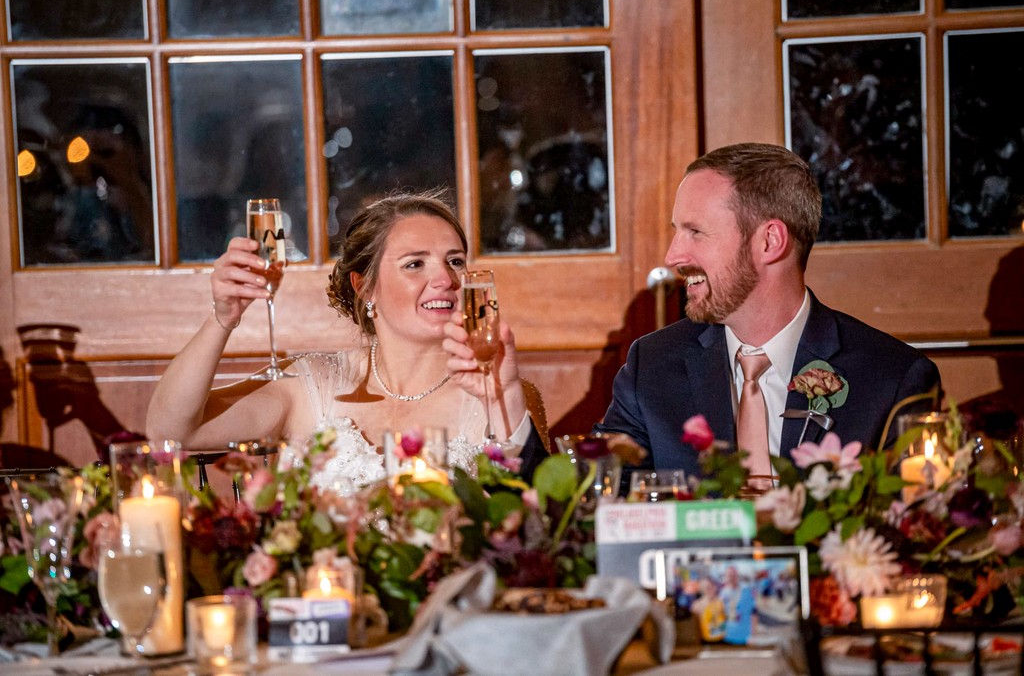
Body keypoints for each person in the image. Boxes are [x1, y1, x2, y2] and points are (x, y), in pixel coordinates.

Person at [146, 191, 549, 486]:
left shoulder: (496, 393)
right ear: (365, 287)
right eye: (415, 264)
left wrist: (502, 396)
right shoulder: (312, 386)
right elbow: (172, 434)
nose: (445, 280)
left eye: (455, 261)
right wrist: (223, 318)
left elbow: (535, 522)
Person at [596, 143, 940, 484]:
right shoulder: (651, 366)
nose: (673, 256)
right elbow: (602, 494)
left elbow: (913, 521)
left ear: (770, 241)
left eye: (695, 232)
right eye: (677, 231)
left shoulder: (893, 379)